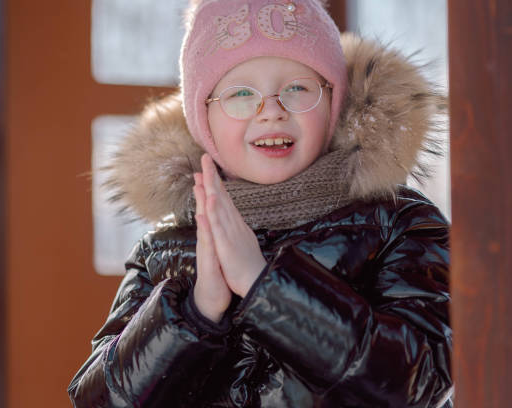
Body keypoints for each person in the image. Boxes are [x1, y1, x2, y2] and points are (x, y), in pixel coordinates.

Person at [68, 0, 453, 406]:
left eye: (297, 89)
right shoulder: (161, 250)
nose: (271, 111)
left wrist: (265, 285)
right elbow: (98, 400)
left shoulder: (400, 225)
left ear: (333, 103)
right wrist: (196, 312)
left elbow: (420, 384)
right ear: (204, 119)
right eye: (240, 94)